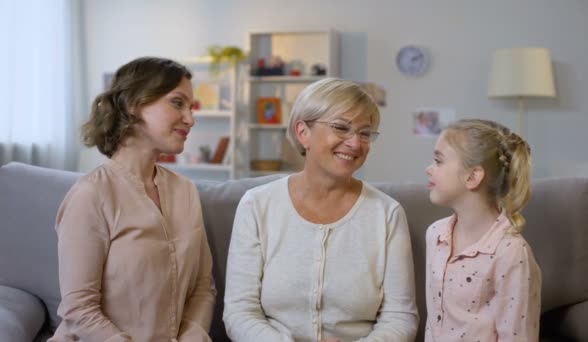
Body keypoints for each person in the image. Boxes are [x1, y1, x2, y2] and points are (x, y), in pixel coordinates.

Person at [223, 78, 419, 342]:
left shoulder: (387, 213)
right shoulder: (257, 205)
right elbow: (239, 311)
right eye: (341, 128)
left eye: (365, 133)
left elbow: (400, 317)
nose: (356, 143)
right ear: (303, 132)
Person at [49, 57, 216, 341]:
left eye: (191, 107)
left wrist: (193, 336)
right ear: (133, 104)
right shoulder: (91, 195)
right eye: (178, 103)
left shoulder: (185, 191)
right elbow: (79, 309)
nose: (190, 118)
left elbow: (202, 287)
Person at [424, 119, 541, 341]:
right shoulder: (435, 234)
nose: (428, 169)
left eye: (438, 161)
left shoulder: (511, 252)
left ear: (473, 177)